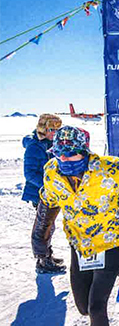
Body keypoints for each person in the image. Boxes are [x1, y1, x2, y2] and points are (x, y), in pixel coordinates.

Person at [34, 126, 119, 326]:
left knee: (96, 307)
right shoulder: (51, 173)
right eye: (59, 153)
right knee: (83, 307)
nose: (64, 159)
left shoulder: (110, 169)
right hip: (79, 244)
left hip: (109, 241)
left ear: (84, 151)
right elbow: (47, 202)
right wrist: (39, 237)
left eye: (70, 154)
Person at [25, 113, 65, 273]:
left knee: (50, 226)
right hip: (40, 193)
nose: (55, 133)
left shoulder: (51, 144)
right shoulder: (34, 147)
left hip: (52, 193)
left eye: (57, 130)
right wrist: (48, 185)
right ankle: (42, 261)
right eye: (51, 129)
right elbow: (29, 173)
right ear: (43, 129)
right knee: (43, 227)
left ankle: (47, 255)